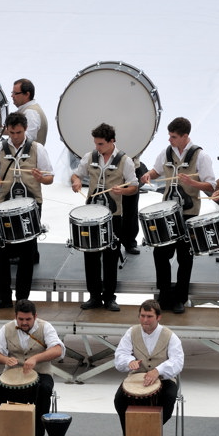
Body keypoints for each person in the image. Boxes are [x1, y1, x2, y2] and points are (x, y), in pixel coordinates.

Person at [140, 117, 216, 314]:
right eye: (169, 135)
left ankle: (180, 298)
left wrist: (193, 184)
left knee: (185, 256)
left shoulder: (201, 156)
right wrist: (148, 175)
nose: (170, 140)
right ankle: (164, 296)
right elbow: (157, 171)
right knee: (160, 253)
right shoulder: (166, 153)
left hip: (188, 213)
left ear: (185, 136)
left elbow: (211, 185)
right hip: (167, 213)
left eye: (173, 136)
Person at [0, 112, 54, 310]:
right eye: (12, 132)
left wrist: (42, 178)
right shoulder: (0, 147)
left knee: (27, 253)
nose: (15, 136)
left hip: (30, 205)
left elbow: (50, 177)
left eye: (19, 132)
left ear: (25, 129)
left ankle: (23, 298)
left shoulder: (37, 148)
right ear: (7, 130)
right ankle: (3, 296)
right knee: (2, 250)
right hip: (5, 205)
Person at [70, 123, 139, 312]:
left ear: (111, 141)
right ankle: (93, 296)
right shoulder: (90, 156)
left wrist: (123, 190)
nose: (97, 147)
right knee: (90, 256)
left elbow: (134, 186)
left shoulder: (125, 160)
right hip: (91, 215)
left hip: (113, 216)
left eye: (101, 144)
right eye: (96, 144)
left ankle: (109, 297)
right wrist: (76, 182)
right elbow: (76, 175)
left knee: (110, 257)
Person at [0, 299, 64, 436]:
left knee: (44, 389)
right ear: (16, 316)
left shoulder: (45, 327)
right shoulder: (7, 328)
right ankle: (3, 433)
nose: (24, 322)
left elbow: (57, 350)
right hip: (12, 373)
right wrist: (5, 359)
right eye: (20, 319)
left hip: (41, 372)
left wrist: (36, 358)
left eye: (28, 319)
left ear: (35, 316)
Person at [113, 299, 184, 435]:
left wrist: (158, 370)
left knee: (168, 400)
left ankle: (148, 435)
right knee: (119, 400)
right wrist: (129, 361)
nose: (145, 320)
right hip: (136, 378)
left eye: (150, 316)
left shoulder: (170, 336)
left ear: (158, 317)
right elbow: (120, 354)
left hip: (164, 380)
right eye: (142, 316)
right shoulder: (131, 332)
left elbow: (178, 361)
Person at [10, 78, 47, 144]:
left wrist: (7, 131)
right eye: (12, 92)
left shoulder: (31, 112)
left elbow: (27, 138)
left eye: (15, 93)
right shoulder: (30, 110)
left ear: (27, 94)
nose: (12, 96)